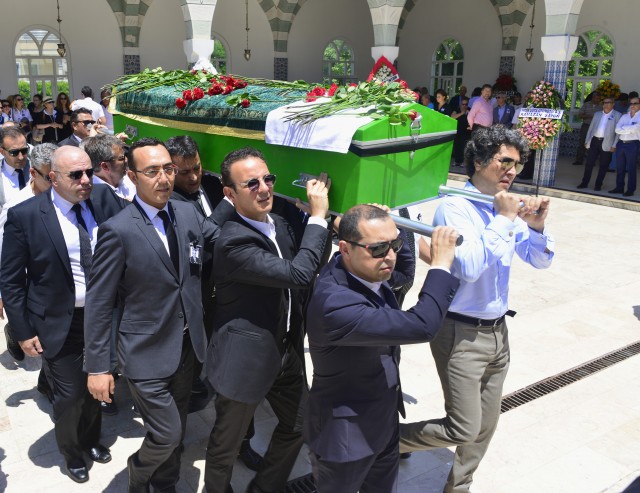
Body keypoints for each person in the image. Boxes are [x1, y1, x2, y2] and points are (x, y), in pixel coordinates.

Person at [399, 125, 555, 493]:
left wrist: (536, 227)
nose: (512, 171)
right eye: (505, 162)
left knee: (485, 425)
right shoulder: (455, 207)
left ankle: (459, 486)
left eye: (517, 164)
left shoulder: (504, 208)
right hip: (460, 332)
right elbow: (467, 267)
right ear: (480, 161)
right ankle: (387, 441)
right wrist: (503, 220)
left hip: (498, 330)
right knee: (463, 426)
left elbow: (540, 259)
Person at [84, 138, 220, 492]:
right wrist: (98, 367)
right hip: (144, 351)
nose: (164, 178)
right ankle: (139, 472)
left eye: (168, 169)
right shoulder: (118, 230)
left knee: (178, 426)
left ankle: (165, 483)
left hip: (187, 347)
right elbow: (99, 303)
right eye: (152, 171)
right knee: (167, 432)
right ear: (132, 175)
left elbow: (217, 242)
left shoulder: (186, 212)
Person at [304, 204, 460, 493]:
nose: (389, 256)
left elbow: (405, 271)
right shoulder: (335, 303)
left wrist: (389, 224)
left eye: (394, 245)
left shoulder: (361, 269)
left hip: (384, 422)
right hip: (345, 436)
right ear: (345, 249)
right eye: (378, 249)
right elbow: (422, 326)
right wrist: (440, 265)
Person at [204, 147, 331, 493]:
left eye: (268, 179)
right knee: (225, 445)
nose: (264, 188)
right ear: (229, 193)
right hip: (245, 360)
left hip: (285, 352)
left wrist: (323, 223)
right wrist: (318, 218)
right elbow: (299, 273)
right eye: (251, 184)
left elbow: (310, 266)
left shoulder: (279, 224)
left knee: (300, 424)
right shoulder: (232, 242)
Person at [0, 145, 126, 483]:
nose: (86, 180)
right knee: (70, 395)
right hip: (59, 322)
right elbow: (11, 280)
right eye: (76, 175)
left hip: (101, 319)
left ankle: (91, 438)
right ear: (53, 179)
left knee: (98, 386)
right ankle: (72, 452)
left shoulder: (103, 198)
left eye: (89, 172)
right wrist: (23, 331)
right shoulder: (25, 216)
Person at [0, 143, 57, 373]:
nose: (58, 183)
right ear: (33, 173)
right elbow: (4, 256)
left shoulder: (67, 197)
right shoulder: (16, 208)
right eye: (50, 178)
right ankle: (15, 329)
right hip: (31, 284)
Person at [577, 98, 621, 190]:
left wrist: (614, 145)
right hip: (594, 141)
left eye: (608, 102)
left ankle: (598, 185)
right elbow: (591, 127)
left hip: (607, 143)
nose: (606, 104)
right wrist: (587, 141)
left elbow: (618, 133)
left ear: (613, 104)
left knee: (603, 165)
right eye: (604, 103)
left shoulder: (617, 115)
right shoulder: (597, 114)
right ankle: (584, 183)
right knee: (589, 163)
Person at [82, 133, 134, 200]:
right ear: (105, 166)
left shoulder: (129, 178)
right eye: (122, 158)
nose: (126, 160)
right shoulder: (93, 197)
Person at [610, 96, 640, 196]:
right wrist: (629, 129)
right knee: (620, 167)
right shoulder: (625, 116)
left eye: (635, 103)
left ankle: (630, 190)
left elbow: (637, 128)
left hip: (633, 144)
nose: (632, 105)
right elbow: (617, 129)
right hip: (621, 143)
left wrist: (623, 128)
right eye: (631, 103)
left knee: (631, 168)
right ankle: (619, 188)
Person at [1, 126, 31, 208]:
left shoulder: (38, 169)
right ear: (2, 152)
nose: (20, 157)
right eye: (14, 152)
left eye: (24, 150)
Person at [573, 91, 602, 165]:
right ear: (593, 98)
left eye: (599, 99)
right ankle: (579, 160)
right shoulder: (586, 105)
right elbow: (580, 115)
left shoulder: (601, 106)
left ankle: (591, 161)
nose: (598, 100)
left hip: (596, 127)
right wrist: (589, 116)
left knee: (593, 144)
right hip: (586, 125)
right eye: (596, 98)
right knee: (582, 142)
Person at [451, 97, 471, 167]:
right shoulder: (457, 109)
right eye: (463, 104)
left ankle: (463, 162)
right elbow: (452, 116)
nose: (464, 106)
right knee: (457, 147)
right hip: (457, 131)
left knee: (464, 147)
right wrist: (461, 113)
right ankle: (457, 161)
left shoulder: (469, 110)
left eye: (466, 104)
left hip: (466, 132)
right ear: (460, 104)